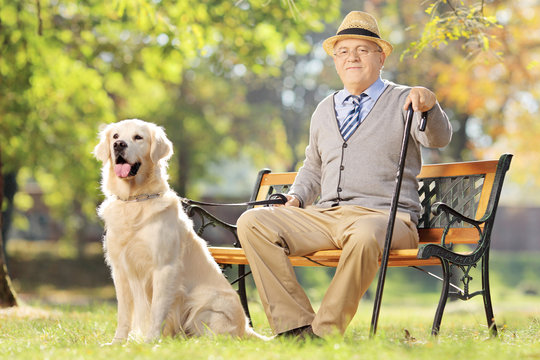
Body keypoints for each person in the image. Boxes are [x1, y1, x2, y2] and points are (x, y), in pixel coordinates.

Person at [237, 11, 452, 339]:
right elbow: (313, 167)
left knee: (364, 233)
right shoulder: (325, 108)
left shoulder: (405, 100)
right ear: (335, 61)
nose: (351, 57)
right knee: (252, 222)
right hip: (327, 216)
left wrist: (430, 105)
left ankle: (324, 333)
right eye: (343, 51)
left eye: (362, 50)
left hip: (387, 220)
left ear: (380, 58)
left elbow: (438, 139)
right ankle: (295, 328)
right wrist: (296, 198)